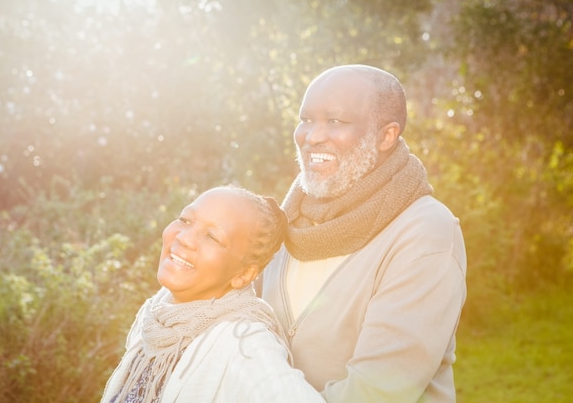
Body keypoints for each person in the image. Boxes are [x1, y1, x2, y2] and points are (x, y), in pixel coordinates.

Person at [260, 64, 467, 403]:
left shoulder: (427, 233)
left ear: (386, 136)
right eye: (307, 119)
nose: (312, 136)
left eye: (336, 121)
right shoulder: (284, 221)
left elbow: (378, 392)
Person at [100, 186, 325, 403]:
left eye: (212, 236)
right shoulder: (158, 312)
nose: (184, 238)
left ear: (243, 274)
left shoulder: (245, 343)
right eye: (186, 220)